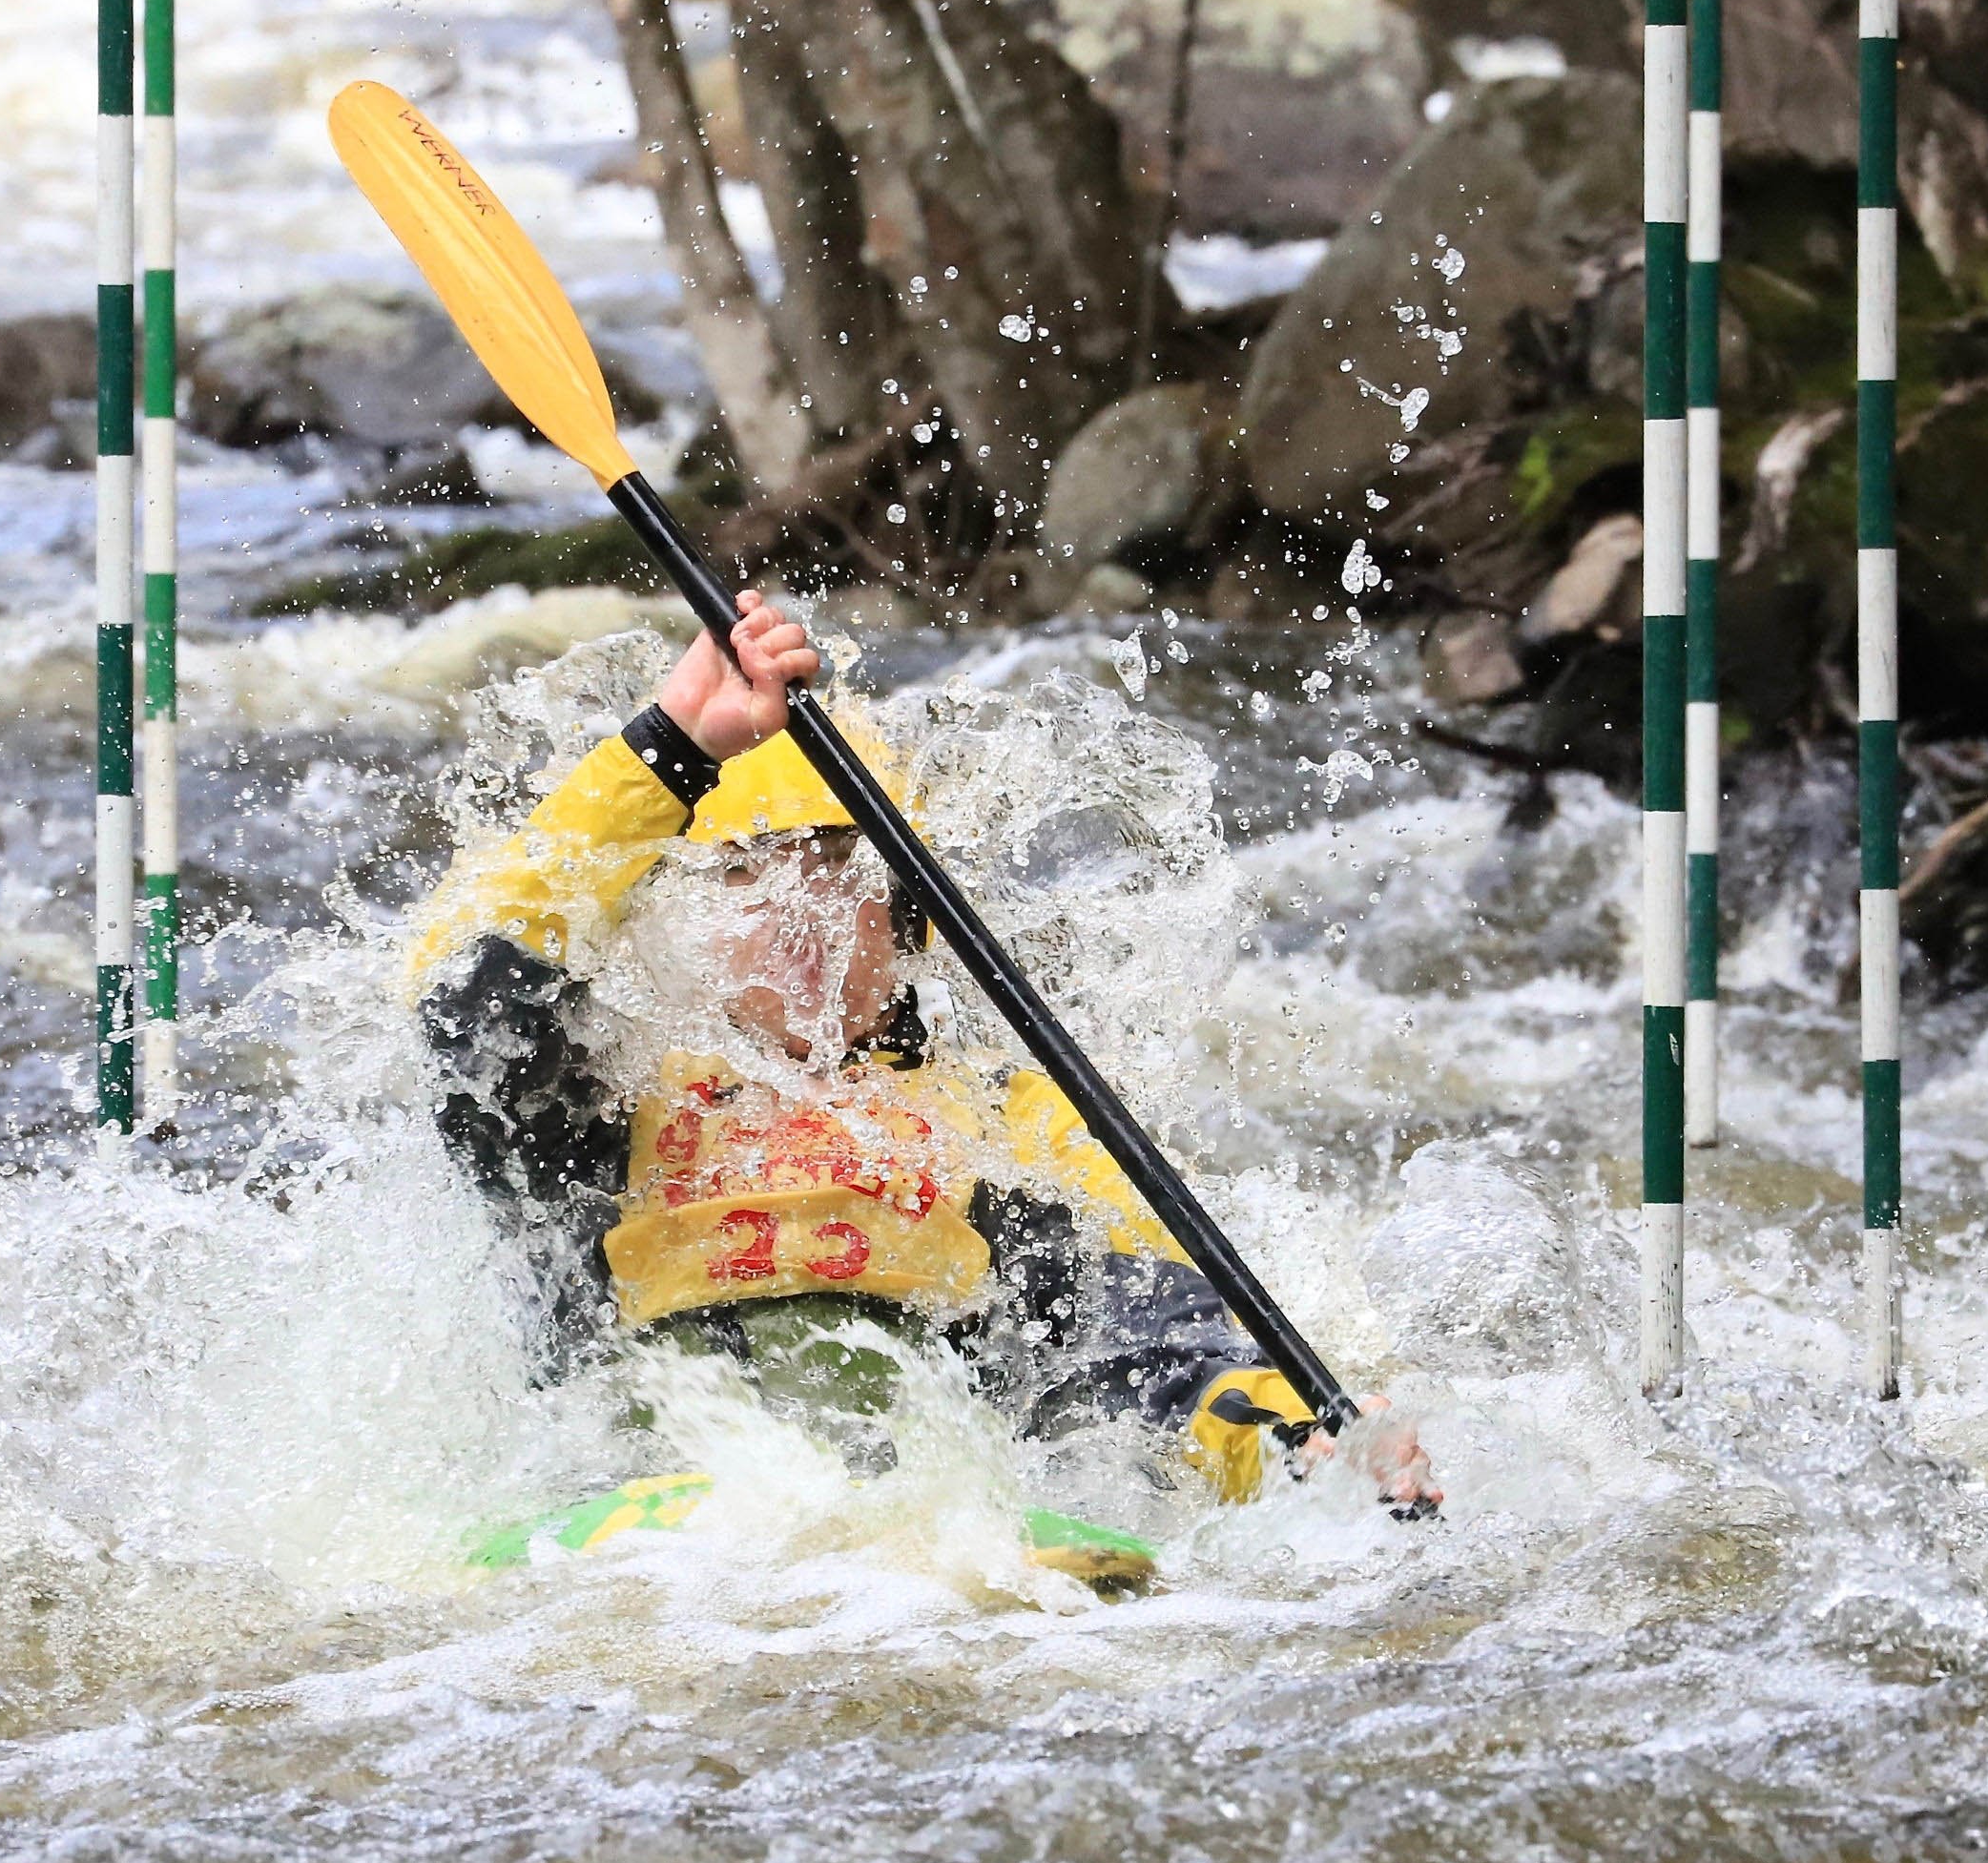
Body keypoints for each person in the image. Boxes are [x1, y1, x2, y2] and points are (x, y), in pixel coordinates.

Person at [410, 591, 1438, 1512]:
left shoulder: (1002, 1124)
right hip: (642, 1528)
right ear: (666, 917)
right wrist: (673, 746)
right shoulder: (594, 1101)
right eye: (745, 877)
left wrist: (1293, 1440)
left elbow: (1153, 1337)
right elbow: (462, 988)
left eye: (835, 866)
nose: (804, 915)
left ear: (904, 920)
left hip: (908, 1551)